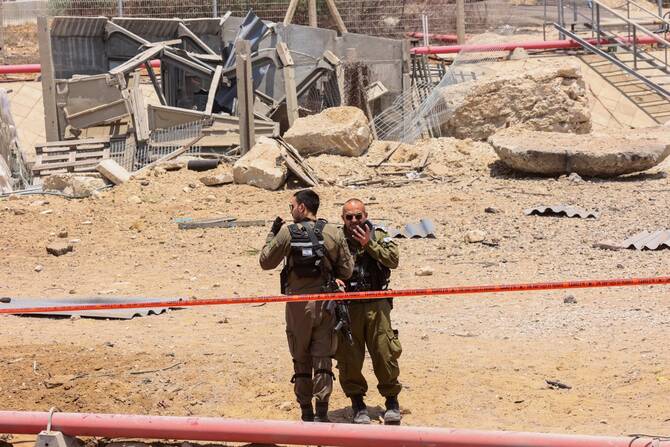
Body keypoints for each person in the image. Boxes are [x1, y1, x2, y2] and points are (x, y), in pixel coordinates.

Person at [259, 189, 354, 423]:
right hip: (325, 304)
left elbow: (265, 261)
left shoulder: (287, 233)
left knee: (301, 357)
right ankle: (322, 413)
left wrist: (271, 234)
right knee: (323, 359)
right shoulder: (332, 231)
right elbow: (347, 270)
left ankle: (306, 413)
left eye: (292, 206)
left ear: (302, 207)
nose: (291, 211)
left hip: (298, 306)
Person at [335, 198, 402, 425]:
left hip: (377, 304)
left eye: (358, 216)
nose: (354, 221)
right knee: (349, 356)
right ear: (343, 218)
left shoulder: (379, 235)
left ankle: (391, 401)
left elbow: (393, 259)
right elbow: (326, 264)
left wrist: (368, 244)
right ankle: (357, 403)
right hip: (349, 306)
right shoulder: (337, 238)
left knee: (384, 352)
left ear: (366, 216)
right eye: (349, 217)